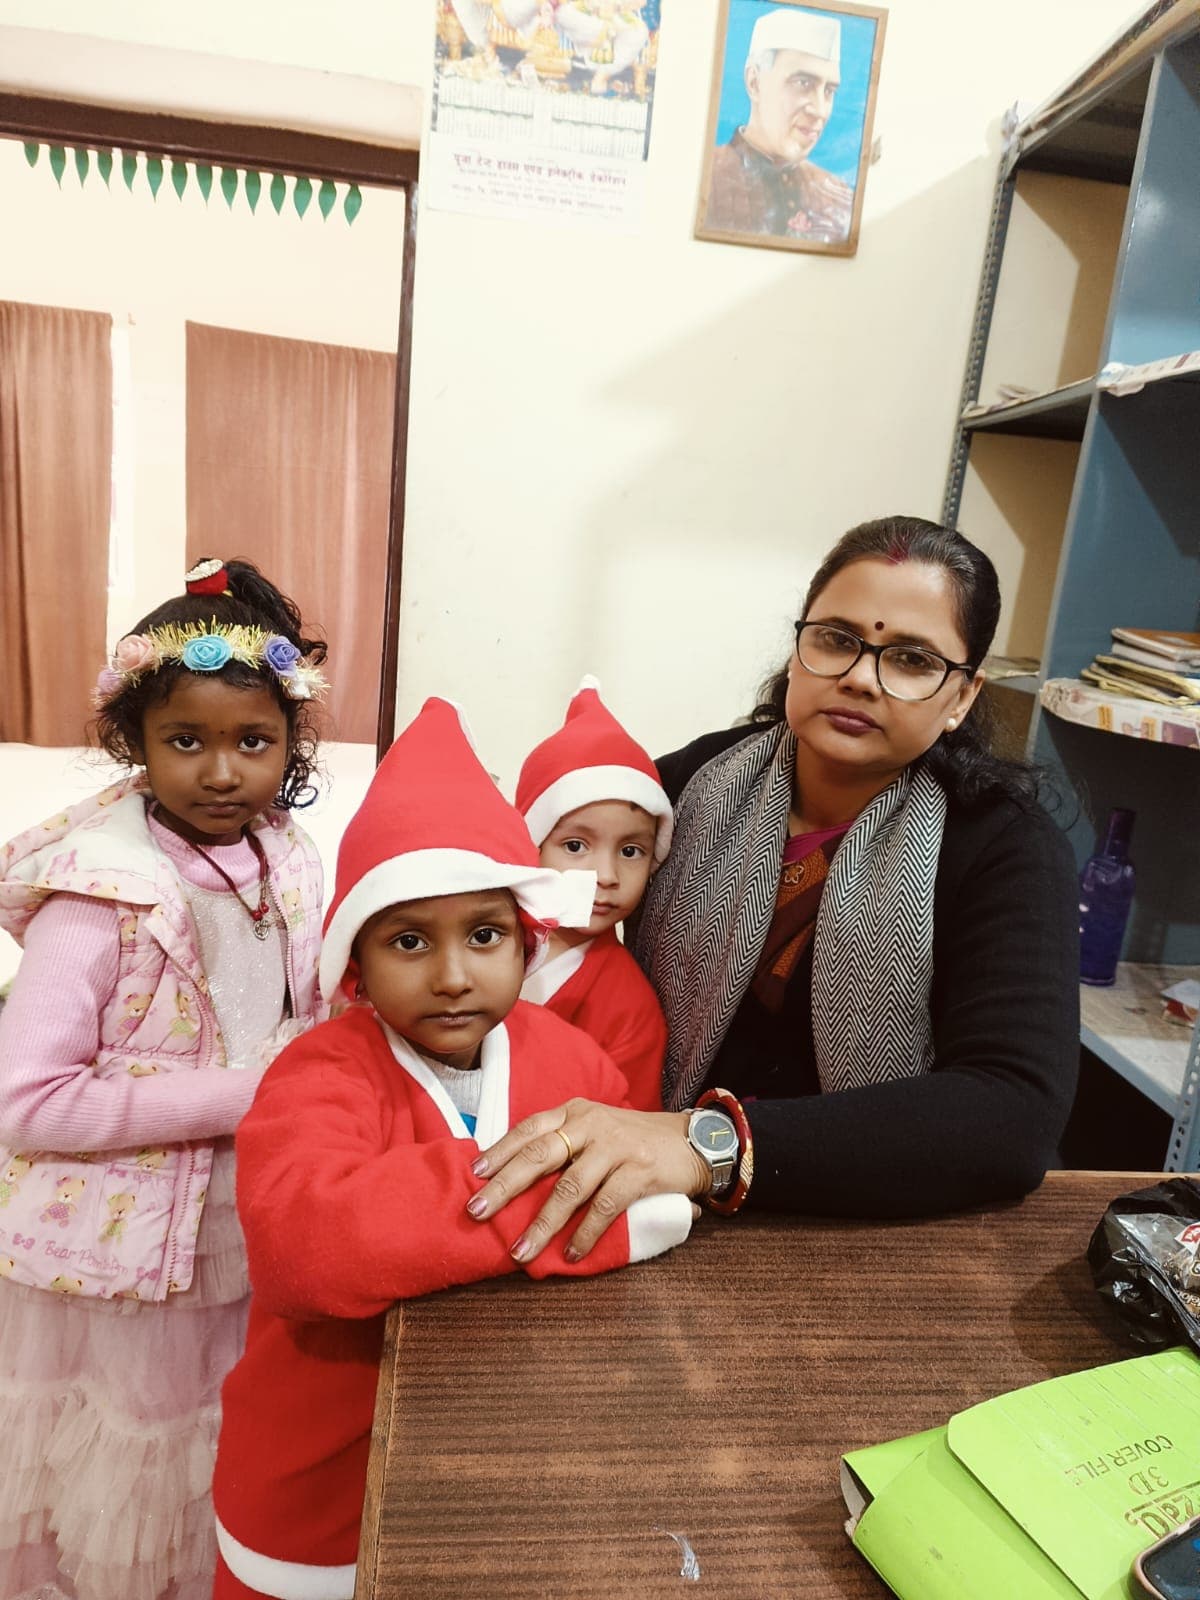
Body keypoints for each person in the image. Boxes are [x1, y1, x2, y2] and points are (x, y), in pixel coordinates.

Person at [463, 515, 1081, 1262]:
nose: (858, 675)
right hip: (650, 1199)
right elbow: (506, 886)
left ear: (961, 697)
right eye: (837, 639)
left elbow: (1010, 1115)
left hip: (875, 1224)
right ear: (798, 650)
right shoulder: (686, 790)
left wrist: (709, 1140)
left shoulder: (1001, 846)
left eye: (912, 659)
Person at [211, 696, 691, 1600]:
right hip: (317, 1478)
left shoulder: (574, 1058)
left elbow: (640, 1188)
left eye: (484, 934)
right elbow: (306, 1249)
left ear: (526, 937)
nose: (454, 974)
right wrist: (576, 1208)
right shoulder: (319, 1073)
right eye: (407, 940)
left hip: (503, 1456)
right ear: (354, 962)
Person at [0, 557, 329, 1600]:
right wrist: (252, 1093)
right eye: (186, 741)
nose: (223, 772)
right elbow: (25, 1100)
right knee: (124, 1445)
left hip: (244, 1222)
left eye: (253, 741)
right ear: (133, 744)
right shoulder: (96, 897)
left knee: (217, 1433)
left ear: (291, 744)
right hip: (119, 1259)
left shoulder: (290, 854)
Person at [515, 675, 673, 1109]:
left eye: (631, 850)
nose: (605, 874)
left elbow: (628, 1128)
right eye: (575, 845)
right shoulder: (482, 940)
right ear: (530, 843)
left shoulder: (630, 1009)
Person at [704, 7, 854, 244]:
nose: (820, 110)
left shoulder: (838, 197)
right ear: (754, 83)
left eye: (829, 91)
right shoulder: (706, 175)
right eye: (803, 82)